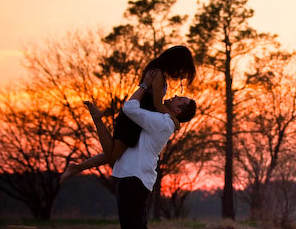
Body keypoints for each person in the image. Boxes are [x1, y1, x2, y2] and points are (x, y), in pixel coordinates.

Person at [107, 69, 196, 229]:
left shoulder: (163, 121)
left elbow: (129, 108)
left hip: (134, 176)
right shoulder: (164, 121)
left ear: (178, 109)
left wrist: (145, 86)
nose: (174, 96)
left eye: (179, 99)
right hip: (139, 177)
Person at [61, 45, 196, 182]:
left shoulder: (158, 72)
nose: (180, 74)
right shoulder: (158, 75)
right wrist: (173, 119)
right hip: (133, 118)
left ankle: (78, 167)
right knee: (112, 155)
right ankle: (96, 123)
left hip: (137, 118)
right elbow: (157, 104)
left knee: (112, 154)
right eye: (182, 69)